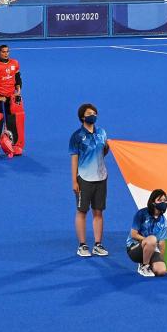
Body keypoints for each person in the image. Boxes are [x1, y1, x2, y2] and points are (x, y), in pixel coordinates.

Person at [69, 103, 109, 257]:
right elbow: (74, 159)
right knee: (82, 211)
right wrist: (74, 181)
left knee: (98, 211)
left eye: (94, 112)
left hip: (101, 177)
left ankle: (98, 244)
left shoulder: (102, 133)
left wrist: (107, 148)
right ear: (82, 117)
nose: (93, 115)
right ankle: (82, 245)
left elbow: (101, 154)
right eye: (89, 113)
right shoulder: (77, 136)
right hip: (84, 179)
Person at [126, 189, 167, 277]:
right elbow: (133, 234)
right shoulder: (141, 214)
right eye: (160, 200)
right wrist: (148, 241)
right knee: (152, 239)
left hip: (151, 248)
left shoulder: (163, 221)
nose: (163, 202)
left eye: (165, 200)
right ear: (153, 202)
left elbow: (162, 243)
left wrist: (161, 259)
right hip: (134, 248)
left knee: (161, 271)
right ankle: (144, 266)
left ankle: (149, 261)